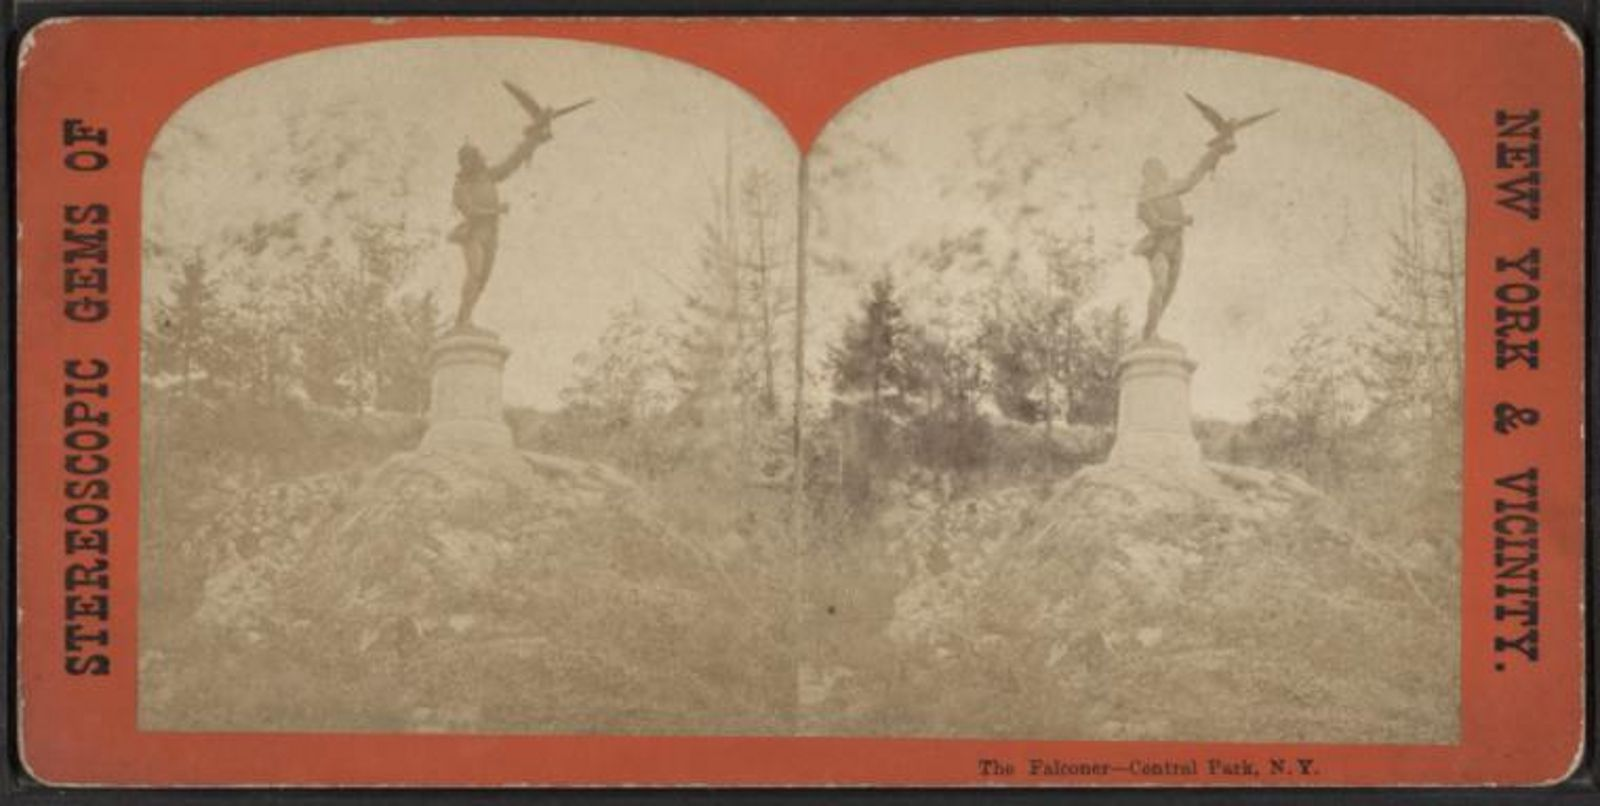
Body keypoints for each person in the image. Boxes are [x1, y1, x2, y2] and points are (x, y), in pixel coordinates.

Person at [448, 121, 552, 329]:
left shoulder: (487, 176)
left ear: (476, 159)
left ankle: (463, 317)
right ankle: (464, 318)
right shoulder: (460, 187)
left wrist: (532, 139)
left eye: (469, 158)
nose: (466, 163)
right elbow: (470, 212)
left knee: (483, 280)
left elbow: (512, 162)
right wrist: (497, 211)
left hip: (491, 234)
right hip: (473, 234)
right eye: (462, 160)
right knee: (474, 272)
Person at [1133, 136, 1235, 342]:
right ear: (1148, 173)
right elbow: (1156, 223)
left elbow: (1192, 179)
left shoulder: (1169, 187)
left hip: (1177, 245)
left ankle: (1151, 330)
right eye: (1156, 169)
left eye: (1162, 168)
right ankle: (1150, 331)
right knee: (1160, 284)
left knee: (1169, 290)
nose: (1162, 172)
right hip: (1159, 246)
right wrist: (1181, 222)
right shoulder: (1144, 198)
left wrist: (1214, 152)